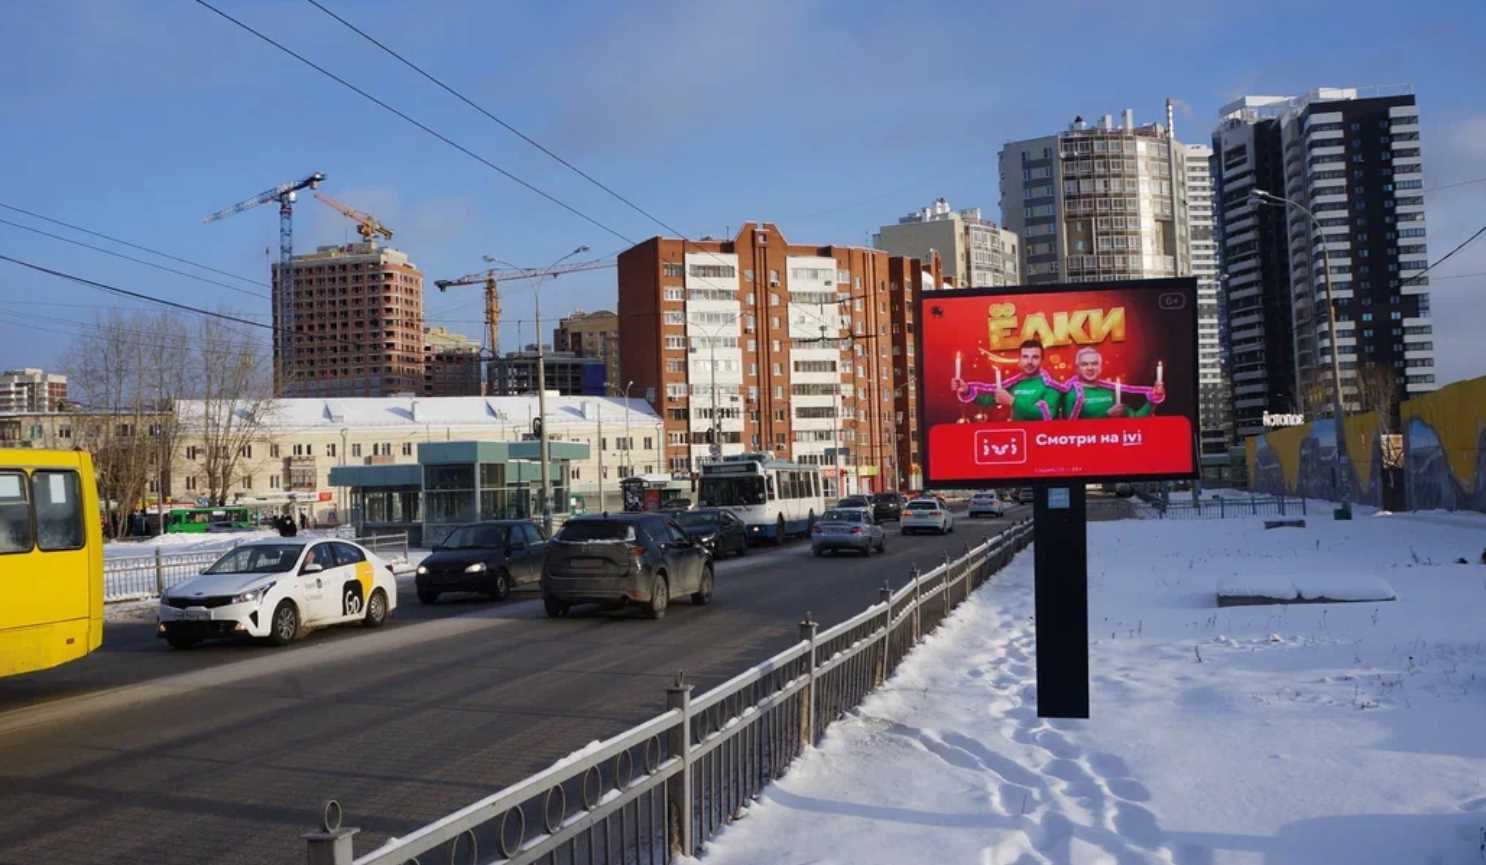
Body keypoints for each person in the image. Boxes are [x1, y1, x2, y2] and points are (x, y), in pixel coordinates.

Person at [951, 339, 1066, 421]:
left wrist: (1012, 401)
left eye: (1035, 357)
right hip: (1018, 438)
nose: (1029, 362)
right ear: (1019, 360)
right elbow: (987, 400)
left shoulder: (1052, 385)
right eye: (1025, 357)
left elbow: (1047, 415)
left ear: (1042, 360)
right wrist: (966, 390)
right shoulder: (1014, 383)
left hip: (1043, 440)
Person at [1059, 347, 1166, 419]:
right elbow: (1070, 432)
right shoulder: (1071, 394)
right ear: (1077, 368)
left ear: (1100, 367)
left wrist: (1152, 402)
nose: (1090, 368)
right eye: (1084, 364)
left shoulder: (1111, 391)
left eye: (1094, 363)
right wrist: (1107, 415)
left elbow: (1136, 420)